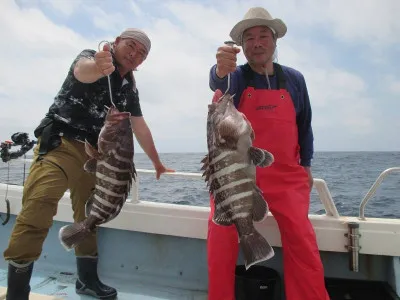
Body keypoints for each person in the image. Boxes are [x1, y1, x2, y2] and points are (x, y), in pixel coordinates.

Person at [3, 28, 174, 300]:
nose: (135, 54)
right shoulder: (92, 57)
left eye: (142, 53)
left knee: (90, 216)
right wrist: (98, 65)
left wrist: (157, 162)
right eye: (131, 45)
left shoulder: (129, 87)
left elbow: (139, 125)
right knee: (39, 205)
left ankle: (87, 280)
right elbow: (83, 71)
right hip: (60, 144)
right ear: (116, 42)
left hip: (96, 156)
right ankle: (17, 290)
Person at [207, 7, 330, 300]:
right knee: (220, 237)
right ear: (243, 46)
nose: (257, 42)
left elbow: (305, 125)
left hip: (287, 175)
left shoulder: (295, 80)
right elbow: (219, 84)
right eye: (250, 38)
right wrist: (220, 70)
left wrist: (308, 165)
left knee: (302, 240)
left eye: (264, 36)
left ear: (275, 42)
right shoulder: (236, 77)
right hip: (238, 172)